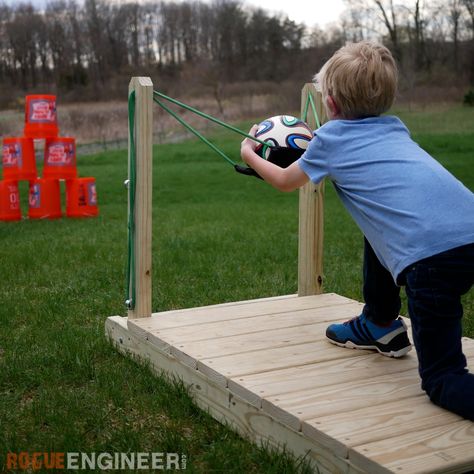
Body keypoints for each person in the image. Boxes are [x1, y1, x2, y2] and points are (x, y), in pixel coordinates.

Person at [240, 41, 474, 420]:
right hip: (468, 229)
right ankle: (380, 324)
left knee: (443, 379)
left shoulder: (329, 141)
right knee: (379, 226)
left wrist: (249, 152)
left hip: (431, 260)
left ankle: (390, 330)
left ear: (330, 105)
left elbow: (285, 180)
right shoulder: (395, 129)